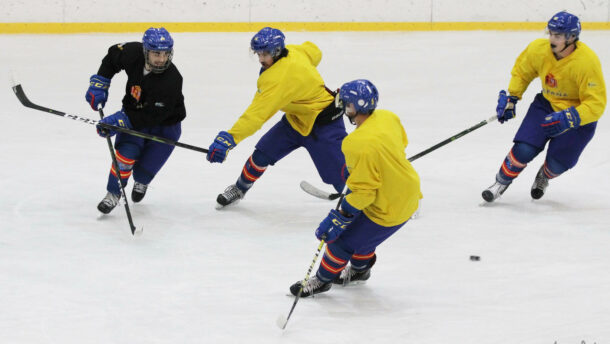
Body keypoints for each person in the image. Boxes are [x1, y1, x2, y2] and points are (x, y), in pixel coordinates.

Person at [288, 80, 422, 297]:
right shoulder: (388, 117)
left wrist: (342, 215)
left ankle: (322, 281)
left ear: (354, 107)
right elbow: (401, 145)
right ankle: (360, 272)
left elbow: (364, 193)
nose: (343, 108)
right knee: (363, 237)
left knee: (340, 244)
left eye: (346, 104)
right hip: (406, 191)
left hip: (388, 205)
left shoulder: (355, 143)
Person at [205, 27, 347, 209]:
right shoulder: (295, 51)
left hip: (324, 124)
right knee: (262, 154)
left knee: (339, 174)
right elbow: (314, 51)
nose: (261, 59)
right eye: (258, 53)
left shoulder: (277, 79)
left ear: (278, 51)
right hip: (296, 120)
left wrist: (230, 138)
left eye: (266, 53)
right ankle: (239, 189)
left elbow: (256, 115)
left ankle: (357, 205)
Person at [483, 11, 606, 202]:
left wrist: (570, 117)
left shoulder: (587, 62)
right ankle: (501, 182)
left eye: (557, 35)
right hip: (546, 105)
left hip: (577, 118)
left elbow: (596, 103)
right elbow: (522, 73)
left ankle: (544, 176)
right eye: (551, 34)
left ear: (571, 37)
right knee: (523, 149)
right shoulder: (538, 50)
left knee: (557, 164)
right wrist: (512, 98)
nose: (551, 39)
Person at [86, 27, 186, 214]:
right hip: (134, 112)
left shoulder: (172, 79)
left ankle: (142, 181)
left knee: (144, 171)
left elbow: (155, 115)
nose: (162, 59)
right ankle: (113, 194)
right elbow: (112, 57)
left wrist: (121, 121)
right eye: (156, 53)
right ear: (146, 51)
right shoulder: (132, 53)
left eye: (166, 54)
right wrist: (100, 82)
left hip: (165, 127)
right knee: (125, 157)